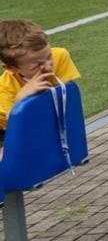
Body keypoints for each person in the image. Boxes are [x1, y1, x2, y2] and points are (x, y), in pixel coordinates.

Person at [0, 19, 81, 148]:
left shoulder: (60, 56)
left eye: (49, 56)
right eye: (36, 65)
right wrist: (21, 99)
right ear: (10, 68)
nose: (48, 66)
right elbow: (14, 130)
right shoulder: (4, 88)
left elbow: (68, 99)